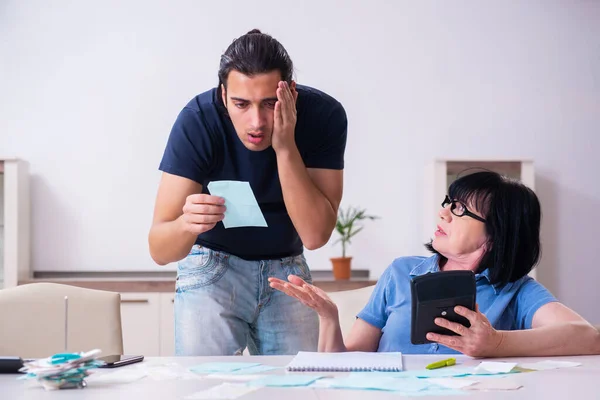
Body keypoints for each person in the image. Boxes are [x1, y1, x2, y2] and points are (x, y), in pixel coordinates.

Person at [149, 29, 347, 356]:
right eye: (241, 104)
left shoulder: (324, 117)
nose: (256, 122)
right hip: (212, 267)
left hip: (288, 270)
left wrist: (285, 147)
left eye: (270, 103)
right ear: (223, 95)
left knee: (296, 388)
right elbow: (159, 248)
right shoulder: (198, 121)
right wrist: (186, 224)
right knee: (205, 388)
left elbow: (314, 236)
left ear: (291, 92)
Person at [270, 171, 600, 357]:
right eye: (448, 203)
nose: (443, 213)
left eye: (459, 209)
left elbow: (589, 338)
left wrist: (497, 343)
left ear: (496, 234)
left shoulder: (517, 291)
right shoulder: (401, 272)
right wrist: (329, 318)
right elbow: (349, 363)